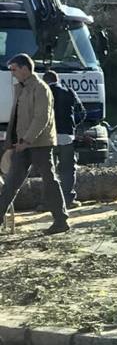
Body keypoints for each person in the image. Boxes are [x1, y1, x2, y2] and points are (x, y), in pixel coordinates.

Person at [0, 54, 69, 235]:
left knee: (49, 180)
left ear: (25, 68)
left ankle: (61, 220)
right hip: (22, 145)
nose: (12, 74)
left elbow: (41, 118)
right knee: (11, 183)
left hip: (40, 144)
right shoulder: (21, 89)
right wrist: (11, 142)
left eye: (14, 69)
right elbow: (15, 120)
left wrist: (27, 140)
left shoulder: (40, 88)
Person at [43, 70, 86, 208]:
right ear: (57, 79)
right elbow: (82, 112)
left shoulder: (44, 92)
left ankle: (48, 202)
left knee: (48, 171)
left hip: (48, 137)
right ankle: (68, 199)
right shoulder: (69, 91)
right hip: (67, 136)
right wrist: (73, 125)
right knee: (67, 169)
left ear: (45, 81)